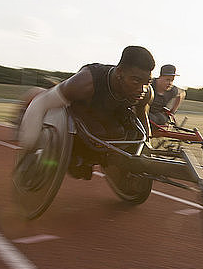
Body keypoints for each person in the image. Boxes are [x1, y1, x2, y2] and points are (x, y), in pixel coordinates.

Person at [18, 45, 155, 180]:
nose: (142, 89)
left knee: (122, 132)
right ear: (119, 72)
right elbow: (41, 102)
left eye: (147, 82)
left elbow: (142, 117)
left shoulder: (146, 93)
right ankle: (77, 157)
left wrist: (147, 146)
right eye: (136, 81)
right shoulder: (84, 83)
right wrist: (29, 147)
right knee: (96, 133)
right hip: (81, 111)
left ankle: (95, 158)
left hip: (110, 116)